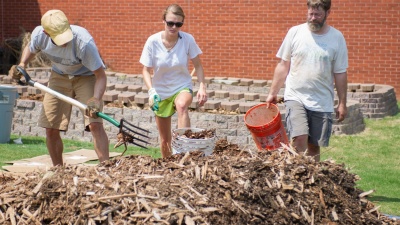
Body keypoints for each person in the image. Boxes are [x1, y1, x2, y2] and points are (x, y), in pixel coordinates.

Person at [10, 9, 109, 166]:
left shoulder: (84, 42)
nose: (64, 42)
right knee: (50, 128)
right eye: (59, 38)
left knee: (95, 123)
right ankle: (58, 171)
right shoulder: (39, 35)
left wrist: (95, 99)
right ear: (46, 33)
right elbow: (31, 47)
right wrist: (22, 64)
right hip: (59, 76)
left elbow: (101, 76)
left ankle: (106, 168)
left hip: (86, 77)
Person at [266, 0, 348, 161]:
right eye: (310, 14)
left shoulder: (336, 38)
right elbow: (283, 65)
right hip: (296, 96)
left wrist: (342, 103)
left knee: (314, 145)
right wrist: (272, 93)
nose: (312, 18)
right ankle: (294, 177)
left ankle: (311, 181)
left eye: (317, 14)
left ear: (327, 13)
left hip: (322, 100)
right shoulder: (295, 32)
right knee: (299, 137)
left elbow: (340, 73)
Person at [140, 4, 207, 158]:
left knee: (182, 105)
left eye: (178, 24)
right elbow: (145, 70)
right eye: (170, 23)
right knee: (165, 141)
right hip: (160, 92)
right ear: (163, 20)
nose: (174, 27)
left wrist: (202, 87)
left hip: (181, 86)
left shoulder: (187, 40)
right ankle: (169, 167)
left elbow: (198, 65)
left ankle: (183, 151)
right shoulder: (153, 41)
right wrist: (151, 92)